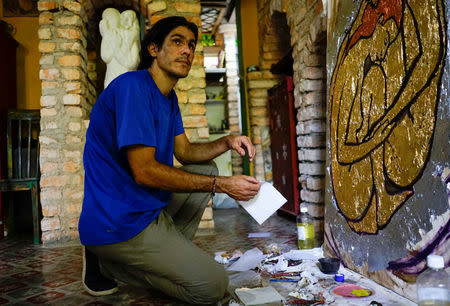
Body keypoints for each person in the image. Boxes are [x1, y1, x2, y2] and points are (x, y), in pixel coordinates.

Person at [78, 16, 261, 304]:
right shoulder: (133, 88)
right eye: (177, 42)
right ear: (153, 49)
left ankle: (161, 259)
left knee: (206, 168)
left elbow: (186, 153)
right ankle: (108, 262)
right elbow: (145, 172)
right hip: (119, 220)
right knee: (213, 287)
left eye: (190, 44)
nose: (187, 50)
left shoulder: (168, 97)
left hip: (147, 210)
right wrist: (223, 185)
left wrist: (228, 141)